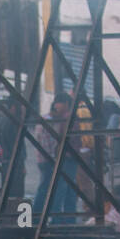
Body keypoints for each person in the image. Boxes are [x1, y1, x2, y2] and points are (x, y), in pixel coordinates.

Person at [35, 92, 76, 220]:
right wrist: (53, 159)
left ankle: (39, 216)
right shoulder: (49, 121)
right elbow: (46, 143)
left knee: (49, 188)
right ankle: (42, 216)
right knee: (51, 188)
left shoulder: (54, 119)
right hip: (48, 160)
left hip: (48, 159)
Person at [0, 99, 26, 202]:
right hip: (15, 163)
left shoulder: (2, 120)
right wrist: (22, 164)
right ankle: (16, 215)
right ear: (13, 107)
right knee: (17, 194)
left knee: (7, 191)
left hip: (5, 161)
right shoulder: (13, 123)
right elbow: (17, 146)